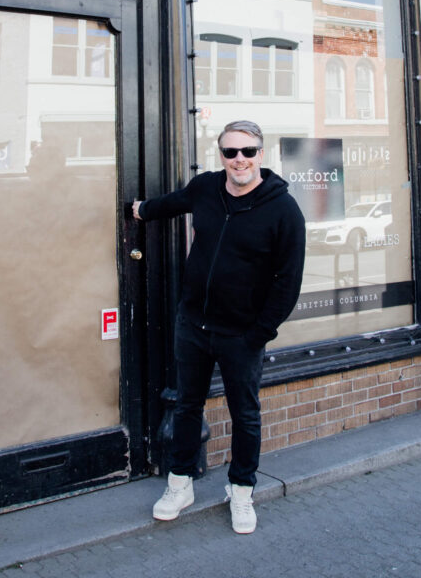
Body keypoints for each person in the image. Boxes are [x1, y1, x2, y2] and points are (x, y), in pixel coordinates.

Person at [132, 120, 305, 534]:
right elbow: (170, 204)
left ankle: (241, 490)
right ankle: (180, 484)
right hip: (193, 324)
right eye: (230, 152)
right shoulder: (207, 188)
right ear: (221, 156)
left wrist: (258, 333)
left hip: (242, 334)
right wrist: (138, 210)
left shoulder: (284, 210)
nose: (239, 160)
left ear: (261, 155)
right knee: (187, 404)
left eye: (247, 152)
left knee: (245, 414)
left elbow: (289, 283)